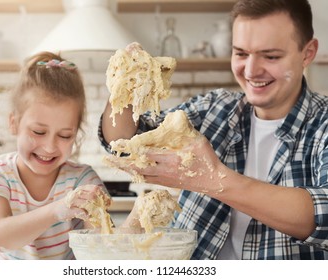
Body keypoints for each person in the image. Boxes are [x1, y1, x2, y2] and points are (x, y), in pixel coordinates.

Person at [99, 0, 328, 259]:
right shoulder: (213, 107)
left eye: (271, 56)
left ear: (307, 53)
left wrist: (214, 179)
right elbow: (124, 141)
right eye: (241, 53)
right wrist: (125, 83)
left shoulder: (323, 124)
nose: (251, 70)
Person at [0, 52, 108, 260]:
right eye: (38, 132)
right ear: (14, 123)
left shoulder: (82, 180)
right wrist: (59, 209)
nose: (50, 146)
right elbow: (1, 236)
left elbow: (101, 251)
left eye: (65, 135)